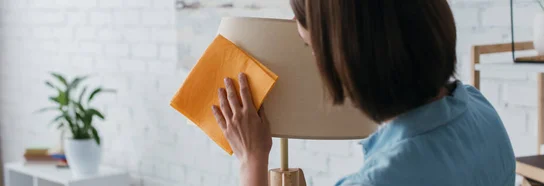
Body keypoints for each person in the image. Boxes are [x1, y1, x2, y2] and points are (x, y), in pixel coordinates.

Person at [210, 0, 516, 185]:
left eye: (309, 47)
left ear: (348, 57)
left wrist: (251, 160)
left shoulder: (379, 181)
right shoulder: (481, 111)